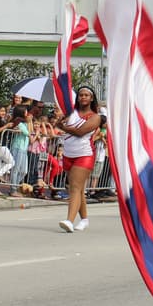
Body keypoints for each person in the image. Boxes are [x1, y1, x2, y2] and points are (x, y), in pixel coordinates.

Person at [55, 85, 102, 232]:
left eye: (86, 95)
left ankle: (69, 221)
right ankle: (85, 219)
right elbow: (60, 123)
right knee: (78, 189)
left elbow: (81, 132)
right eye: (81, 95)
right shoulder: (71, 113)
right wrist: (59, 122)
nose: (83, 97)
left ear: (91, 98)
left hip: (84, 154)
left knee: (74, 188)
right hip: (68, 154)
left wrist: (61, 127)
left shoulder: (95, 117)